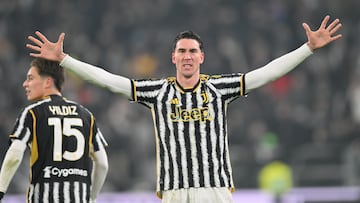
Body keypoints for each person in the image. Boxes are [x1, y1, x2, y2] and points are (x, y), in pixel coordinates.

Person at [26, 15, 342, 203]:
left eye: (192, 51)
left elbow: (265, 73)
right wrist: (65, 60)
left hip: (215, 191)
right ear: (173, 58)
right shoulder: (158, 91)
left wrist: (307, 49)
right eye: (181, 51)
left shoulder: (219, 87)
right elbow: (112, 82)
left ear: (201, 57)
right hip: (174, 192)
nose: (187, 56)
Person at [0, 58, 109, 203]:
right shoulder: (86, 115)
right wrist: (92, 197)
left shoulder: (32, 113)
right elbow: (102, 163)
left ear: (48, 82)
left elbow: (14, 156)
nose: (25, 84)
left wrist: (1, 190)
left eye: (31, 78)